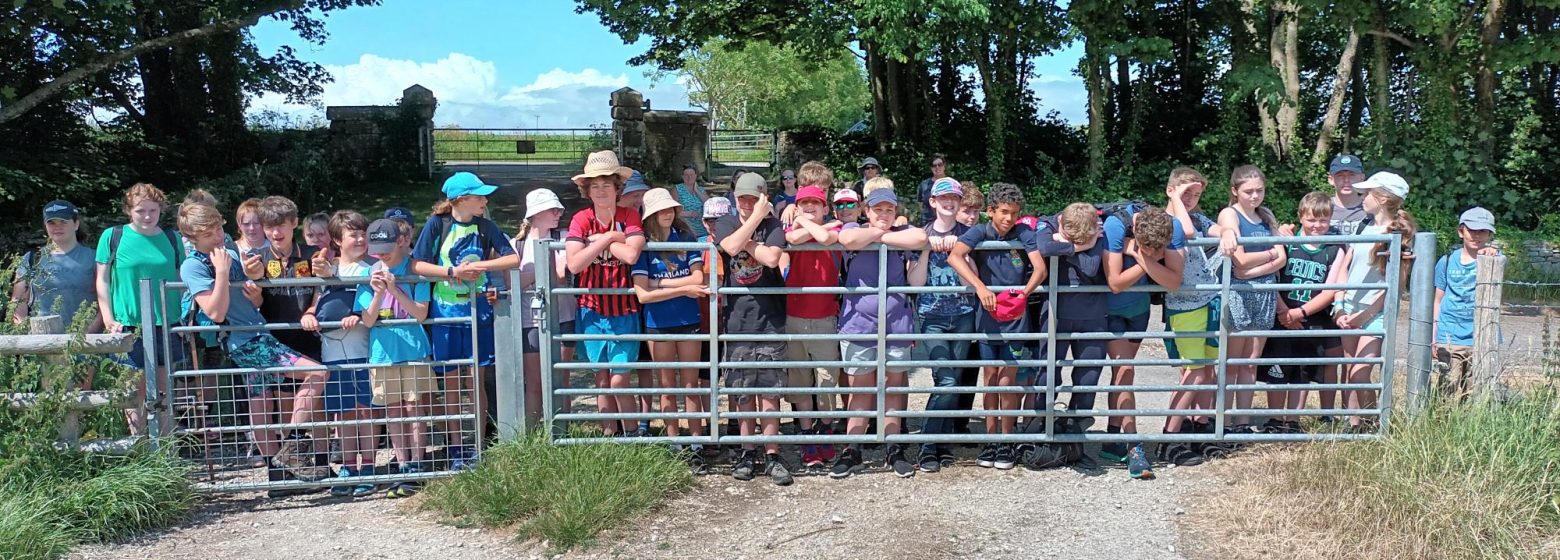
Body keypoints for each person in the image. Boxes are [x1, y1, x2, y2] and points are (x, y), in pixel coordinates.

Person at [177, 203, 331, 489]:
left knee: (261, 403)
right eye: (210, 233)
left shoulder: (228, 251)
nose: (218, 236)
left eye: (219, 228)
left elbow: (253, 302)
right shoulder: (194, 265)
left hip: (257, 333)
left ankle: (278, 475)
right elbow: (215, 312)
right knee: (317, 373)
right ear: (193, 237)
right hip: (244, 341)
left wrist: (255, 293)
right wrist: (222, 273)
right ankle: (294, 442)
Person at [410, 171, 520, 469]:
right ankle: (457, 448)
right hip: (445, 316)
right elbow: (417, 263)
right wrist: (452, 273)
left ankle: (478, 446)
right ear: (460, 200)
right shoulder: (437, 225)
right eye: (479, 196)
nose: (485, 200)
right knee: (451, 382)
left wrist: (479, 266)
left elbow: (513, 259)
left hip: (479, 314)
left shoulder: (486, 227)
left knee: (476, 383)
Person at [828, 189, 927, 479]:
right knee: (861, 387)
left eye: (888, 210)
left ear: (895, 212)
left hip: (896, 323)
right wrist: (880, 234)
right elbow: (847, 240)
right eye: (877, 210)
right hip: (858, 323)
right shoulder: (852, 227)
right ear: (866, 211)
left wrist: (880, 236)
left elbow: (920, 239)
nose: (883, 215)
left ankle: (893, 447)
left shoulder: (903, 231)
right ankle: (853, 448)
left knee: (893, 386)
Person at [947, 182, 1045, 471]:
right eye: (1003, 212)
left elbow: (1040, 269)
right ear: (990, 211)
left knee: (1008, 378)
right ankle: (991, 438)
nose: (1008, 219)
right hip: (988, 314)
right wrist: (980, 287)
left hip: (1016, 318)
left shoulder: (1024, 232)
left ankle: (1007, 439)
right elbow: (954, 256)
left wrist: (1023, 294)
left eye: (1014, 213)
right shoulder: (979, 231)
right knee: (990, 376)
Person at [713, 172, 794, 486]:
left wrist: (747, 236)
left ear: (762, 197)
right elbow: (730, 246)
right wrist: (752, 228)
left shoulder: (773, 227)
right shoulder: (726, 221)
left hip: (771, 319)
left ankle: (772, 454)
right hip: (737, 321)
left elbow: (772, 258)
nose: (746, 203)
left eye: (753, 198)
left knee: (770, 392)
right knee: (743, 392)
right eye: (741, 198)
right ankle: (748, 452)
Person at [564, 152, 647, 437]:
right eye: (594, 186)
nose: (601, 191)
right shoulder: (581, 218)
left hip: (624, 310)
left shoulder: (630, 215)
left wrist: (601, 241)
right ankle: (609, 435)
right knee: (601, 378)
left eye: (606, 185)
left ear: (617, 188)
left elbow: (632, 255)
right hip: (592, 310)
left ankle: (634, 434)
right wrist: (612, 239)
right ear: (586, 190)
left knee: (619, 381)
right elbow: (574, 263)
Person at [95, 183, 186, 436]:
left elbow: (181, 279)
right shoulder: (113, 237)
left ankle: (167, 451)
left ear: (161, 210)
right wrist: (108, 318)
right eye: (140, 210)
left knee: (165, 388)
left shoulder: (172, 238)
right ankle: (140, 448)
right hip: (128, 323)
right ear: (128, 211)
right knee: (134, 391)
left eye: (153, 210)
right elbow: (102, 280)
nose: (147, 216)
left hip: (167, 323)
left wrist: (184, 317)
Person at [1100, 202, 1185, 468]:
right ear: (1136, 232)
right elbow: (1115, 283)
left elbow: (1173, 281)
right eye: (1148, 247)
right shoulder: (1115, 225)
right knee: (1125, 371)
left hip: (1139, 309)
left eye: (1161, 250)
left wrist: (1140, 257)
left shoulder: (1173, 226)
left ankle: (1113, 438)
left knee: (1120, 374)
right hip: (1110, 310)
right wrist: (1150, 263)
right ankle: (1133, 444)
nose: (1156, 253)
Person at [631, 188, 710, 467]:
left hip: (688, 321)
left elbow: (699, 278)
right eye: (660, 210)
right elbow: (643, 294)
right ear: (649, 215)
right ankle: (675, 442)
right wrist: (684, 286)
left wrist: (660, 285)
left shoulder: (686, 238)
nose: (667, 213)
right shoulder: (642, 245)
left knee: (690, 385)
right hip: (657, 324)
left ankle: (696, 443)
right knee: (666, 386)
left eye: (670, 208)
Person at [1332, 171, 1416, 431]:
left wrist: (1364, 316)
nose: (1362, 197)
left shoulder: (1398, 235)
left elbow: (1396, 286)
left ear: (1382, 198)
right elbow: (1345, 266)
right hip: (1350, 309)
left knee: (1360, 373)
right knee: (1349, 371)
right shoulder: (1362, 226)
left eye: (1367, 193)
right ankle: (1353, 424)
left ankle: (1370, 423)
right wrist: (1340, 304)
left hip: (1374, 315)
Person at [358, 218, 434, 498]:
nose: (382, 255)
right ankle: (402, 464)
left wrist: (395, 290)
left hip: (413, 349)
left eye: (387, 248)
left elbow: (420, 313)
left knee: (414, 408)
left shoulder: (416, 271)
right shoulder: (368, 275)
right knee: (392, 411)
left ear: (401, 241)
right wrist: (378, 293)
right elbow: (367, 319)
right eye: (376, 249)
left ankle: (417, 464)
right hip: (383, 353)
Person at [1259, 193, 1346, 433]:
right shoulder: (1287, 242)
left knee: (1302, 372)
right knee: (1278, 368)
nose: (1317, 226)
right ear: (1300, 217)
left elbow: (1331, 289)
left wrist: (1301, 312)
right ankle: (1275, 419)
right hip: (1282, 315)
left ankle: (1294, 420)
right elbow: (1272, 277)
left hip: (1312, 318)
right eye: (1311, 220)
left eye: (1323, 221)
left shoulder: (1334, 249)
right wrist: (1284, 311)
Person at [1158, 168, 1223, 466]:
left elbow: (1218, 230)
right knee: (1193, 371)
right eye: (1187, 194)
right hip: (1184, 305)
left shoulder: (1197, 217)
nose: (1193, 200)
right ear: (1171, 190)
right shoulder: (1162, 220)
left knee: (1208, 370)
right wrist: (1178, 201)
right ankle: (1169, 437)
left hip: (1209, 298)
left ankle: (1202, 430)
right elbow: (1184, 232)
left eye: (1197, 195)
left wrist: (1230, 232)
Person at [782, 165, 844, 471]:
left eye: (815, 204)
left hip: (824, 317)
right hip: (794, 316)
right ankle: (806, 435)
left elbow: (826, 237)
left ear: (824, 205)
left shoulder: (835, 228)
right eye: (804, 203)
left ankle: (826, 433)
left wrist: (804, 220)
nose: (809, 208)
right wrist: (807, 224)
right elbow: (792, 241)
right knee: (800, 381)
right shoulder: (793, 230)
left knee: (827, 381)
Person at [1216, 165, 1286, 434]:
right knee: (1232, 361)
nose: (1255, 196)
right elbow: (1239, 260)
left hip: (1265, 293)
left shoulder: (1266, 216)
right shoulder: (1229, 214)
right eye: (1248, 191)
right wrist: (1266, 258)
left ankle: (1243, 422)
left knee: (1251, 361)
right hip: (1239, 294)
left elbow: (1280, 257)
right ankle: (1224, 420)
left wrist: (1253, 267)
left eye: (1259, 190)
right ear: (1235, 191)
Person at [911, 178, 975, 473]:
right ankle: (927, 444)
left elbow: (972, 282)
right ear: (933, 202)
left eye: (955, 198)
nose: (950, 202)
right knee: (946, 381)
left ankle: (941, 442)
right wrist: (926, 249)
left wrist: (959, 253)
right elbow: (914, 283)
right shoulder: (920, 234)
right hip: (932, 316)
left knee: (954, 381)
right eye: (944, 197)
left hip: (963, 314)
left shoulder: (969, 234)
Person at [318, 211, 377, 497]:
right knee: (343, 414)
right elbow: (314, 302)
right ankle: (348, 466)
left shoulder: (371, 269)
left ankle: (368, 465)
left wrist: (356, 314)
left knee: (366, 411)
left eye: (363, 233)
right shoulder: (324, 270)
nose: (360, 239)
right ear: (337, 240)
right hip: (333, 353)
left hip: (363, 350)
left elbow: (375, 305)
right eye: (353, 234)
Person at [514, 188, 577, 429]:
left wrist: (529, 274)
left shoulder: (566, 238)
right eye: (553, 209)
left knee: (561, 380)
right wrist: (543, 270)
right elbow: (511, 281)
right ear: (536, 213)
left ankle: (560, 434)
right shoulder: (516, 245)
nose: (558, 213)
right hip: (530, 320)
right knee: (535, 383)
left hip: (564, 316)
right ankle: (530, 436)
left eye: (559, 209)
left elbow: (560, 275)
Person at [1433, 207, 1499, 401]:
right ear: (1461, 231)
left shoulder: (1494, 259)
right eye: (1472, 230)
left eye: (1483, 231)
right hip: (1449, 335)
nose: (1476, 235)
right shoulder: (1446, 261)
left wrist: (1492, 255)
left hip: (1481, 335)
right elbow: (1438, 299)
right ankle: (1444, 426)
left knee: (1475, 392)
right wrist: (1434, 335)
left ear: (1490, 234)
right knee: (1448, 389)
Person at [255, 196, 324, 363]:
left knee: (316, 379)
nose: (276, 233)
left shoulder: (312, 253)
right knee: (281, 390)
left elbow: (321, 287)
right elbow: (253, 300)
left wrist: (311, 311)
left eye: (281, 225)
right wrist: (251, 276)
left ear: (294, 223)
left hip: (308, 336)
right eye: (270, 227)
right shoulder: (258, 259)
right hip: (272, 338)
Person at [13, 200, 99, 330]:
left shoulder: (95, 258)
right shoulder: (32, 259)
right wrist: (25, 334)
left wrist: (85, 336)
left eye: (63, 222)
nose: (57, 227)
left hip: (88, 341)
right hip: (41, 342)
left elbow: (106, 302)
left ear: (76, 224)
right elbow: (18, 301)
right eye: (51, 222)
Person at [1326, 154, 1368, 236]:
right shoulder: (1321, 207)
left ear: (1362, 178)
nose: (1346, 180)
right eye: (1340, 175)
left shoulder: (1371, 208)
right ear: (1331, 179)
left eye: (1351, 175)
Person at [675, 165, 710, 239]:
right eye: (686, 175)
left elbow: (709, 204)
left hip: (703, 230)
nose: (689, 177)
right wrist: (688, 213)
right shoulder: (677, 189)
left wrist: (697, 191)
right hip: (686, 229)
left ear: (695, 176)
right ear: (682, 176)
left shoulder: (701, 189)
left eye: (691, 175)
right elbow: (672, 210)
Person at [917, 154, 949, 225]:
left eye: (940, 164)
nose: (937, 167)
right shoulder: (924, 184)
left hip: (946, 221)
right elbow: (920, 202)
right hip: (927, 222)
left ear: (944, 166)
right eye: (934, 166)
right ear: (931, 168)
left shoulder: (951, 183)